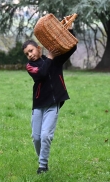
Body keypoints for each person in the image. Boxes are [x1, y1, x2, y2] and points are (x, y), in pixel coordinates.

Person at [21, 24, 77, 174]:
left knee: (46, 135)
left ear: (38, 48)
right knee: (36, 137)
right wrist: (50, 58)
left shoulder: (55, 60)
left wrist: (70, 30)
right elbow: (42, 74)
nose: (30, 55)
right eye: (27, 54)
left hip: (53, 103)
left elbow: (72, 47)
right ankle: (42, 159)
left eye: (31, 50)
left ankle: (42, 166)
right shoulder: (30, 66)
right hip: (38, 105)